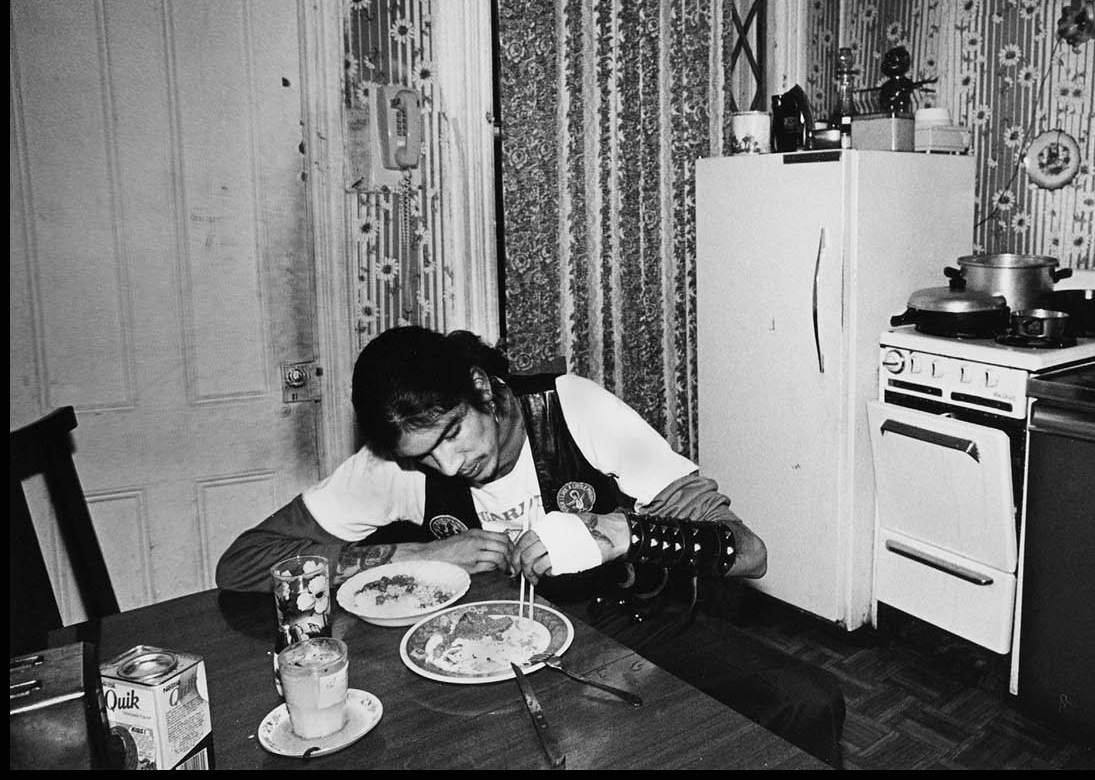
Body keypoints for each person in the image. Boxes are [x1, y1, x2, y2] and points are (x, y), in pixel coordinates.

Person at [216, 326, 845, 767]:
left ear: (481, 390)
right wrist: (410, 557)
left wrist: (619, 533)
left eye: (453, 433)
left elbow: (747, 550)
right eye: (424, 455)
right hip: (481, 654)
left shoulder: (576, 411)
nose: (450, 462)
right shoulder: (399, 467)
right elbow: (242, 562)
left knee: (807, 702)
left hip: (627, 628)